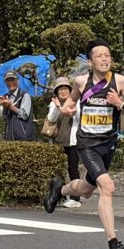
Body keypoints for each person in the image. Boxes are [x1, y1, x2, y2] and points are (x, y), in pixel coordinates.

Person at [43, 39, 124, 249]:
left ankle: (60, 190)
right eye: (99, 55)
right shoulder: (81, 81)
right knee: (107, 186)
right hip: (87, 143)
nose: (105, 59)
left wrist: (119, 104)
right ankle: (114, 243)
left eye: (108, 55)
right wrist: (67, 109)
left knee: (85, 190)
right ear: (90, 61)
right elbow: (68, 104)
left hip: (108, 143)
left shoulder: (119, 81)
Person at [45, 76, 81, 209]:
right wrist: (58, 107)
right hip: (57, 142)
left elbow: (78, 116)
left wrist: (69, 109)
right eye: (60, 89)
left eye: (65, 89)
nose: (63, 92)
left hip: (72, 142)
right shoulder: (54, 103)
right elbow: (51, 119)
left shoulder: (75, 102)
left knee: (73, 170)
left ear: (70, 90)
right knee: (58, 170)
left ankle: (75, 198)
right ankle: (60, 195)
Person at [0, 70, 35, 141]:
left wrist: (10, 106)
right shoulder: (4, 97)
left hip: (23, 137)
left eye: (13, 80)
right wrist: (4, 107)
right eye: (8, 81)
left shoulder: (24, 95)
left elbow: (24, 115)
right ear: (5, 82)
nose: (11, 83)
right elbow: (3, 117)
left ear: (18, 80)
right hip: (9, 137)